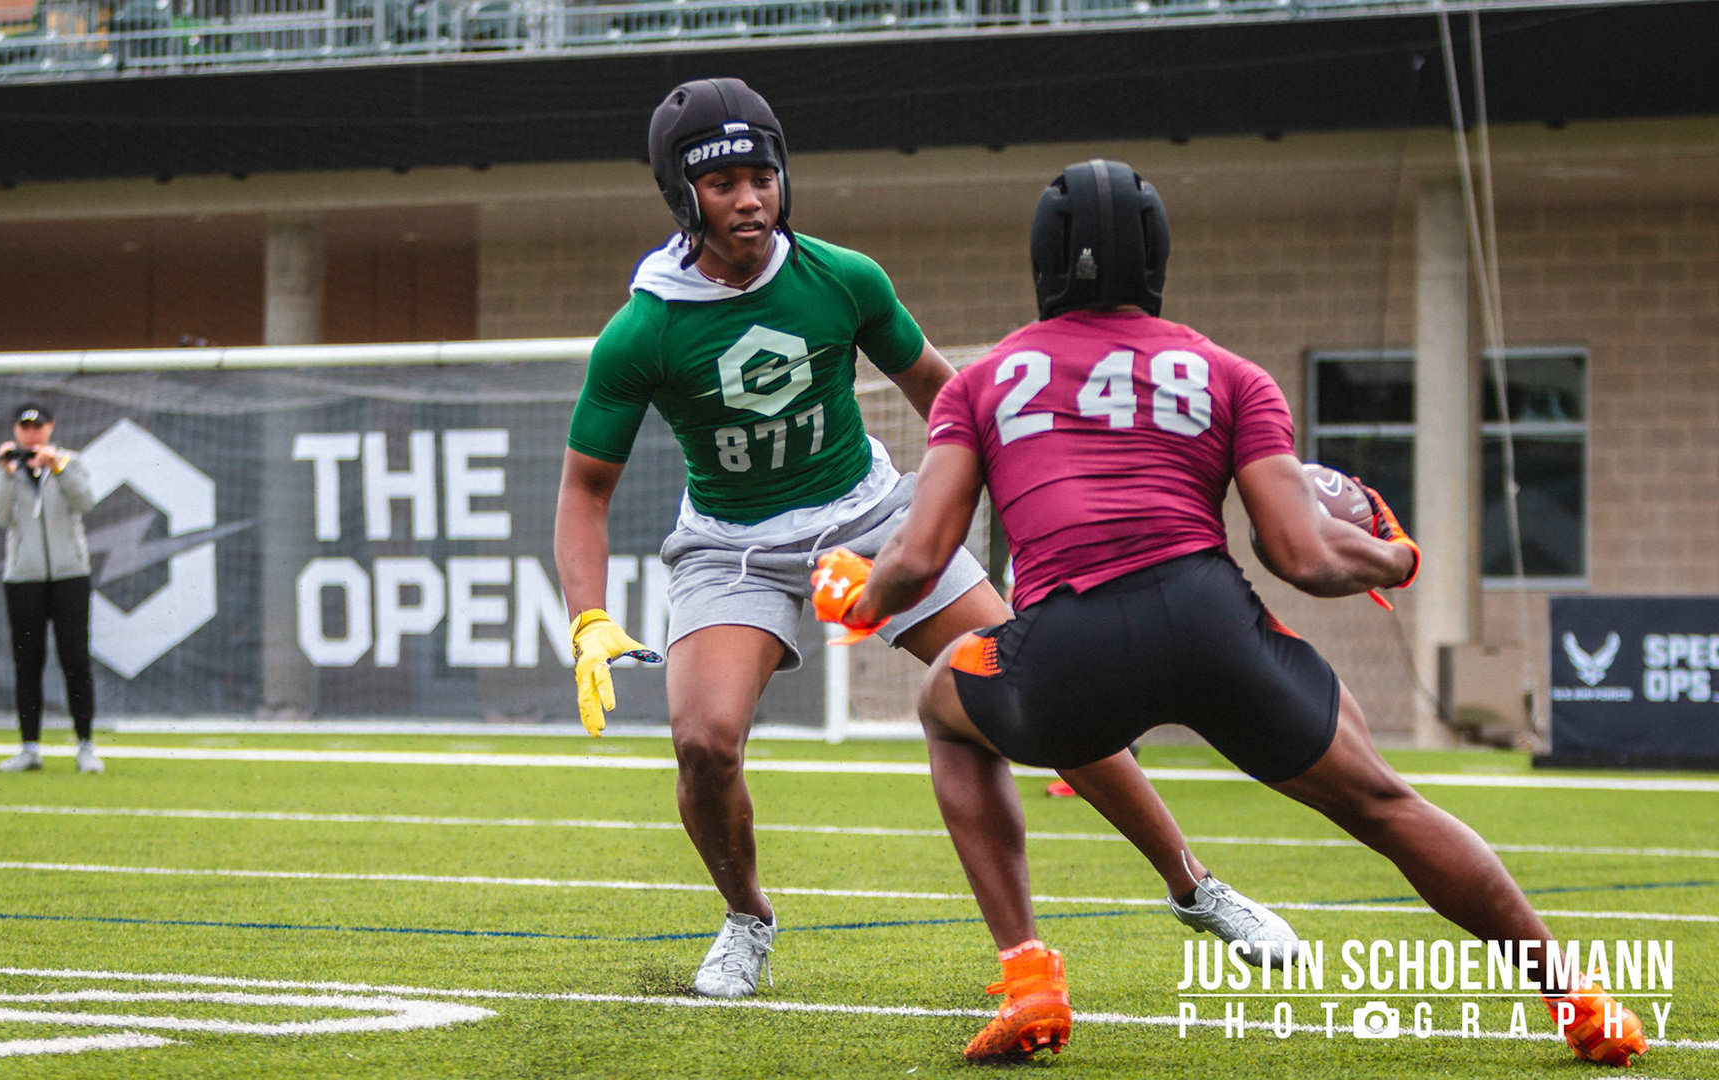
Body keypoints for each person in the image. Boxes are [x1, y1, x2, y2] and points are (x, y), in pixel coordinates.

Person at [815, 159, 1648, 1066]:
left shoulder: (980, 384)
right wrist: (1397, 557)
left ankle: (1029, 978)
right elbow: (1300, 555)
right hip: (1211, 626)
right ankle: (1577, 999)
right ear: (1158, 259)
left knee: (948, 704)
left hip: (1067, 645)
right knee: (1384, 803)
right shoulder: (1230, 373)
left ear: (1042, 262)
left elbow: (920, 557)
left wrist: (862, 596)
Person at [554, 82, 1295, 1001]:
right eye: (722, 184)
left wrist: (1033, 497)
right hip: (732, 543)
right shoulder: (643, 330)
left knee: (1045, 690)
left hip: (872, 514)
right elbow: (585, 489)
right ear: (682, 195)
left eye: (762, 177)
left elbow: (950, 402)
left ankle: (1196, 887)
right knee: (704, 742)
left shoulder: (844, 279)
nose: (749, 200)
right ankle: (747, 919)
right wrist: (588, 616)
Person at [0, 403, 103, 774]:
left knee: (75, 660)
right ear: (15, 430)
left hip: (70, 576)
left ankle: (85, 745)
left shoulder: (71, 461)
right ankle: (29, 748)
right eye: (25, 427)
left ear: (51, 427)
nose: (31, 434)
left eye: (37, 426)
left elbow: (85, 502)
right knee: (27, 663)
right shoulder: (6, 469)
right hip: (24, 579)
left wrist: (58, 468)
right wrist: (7, 473)